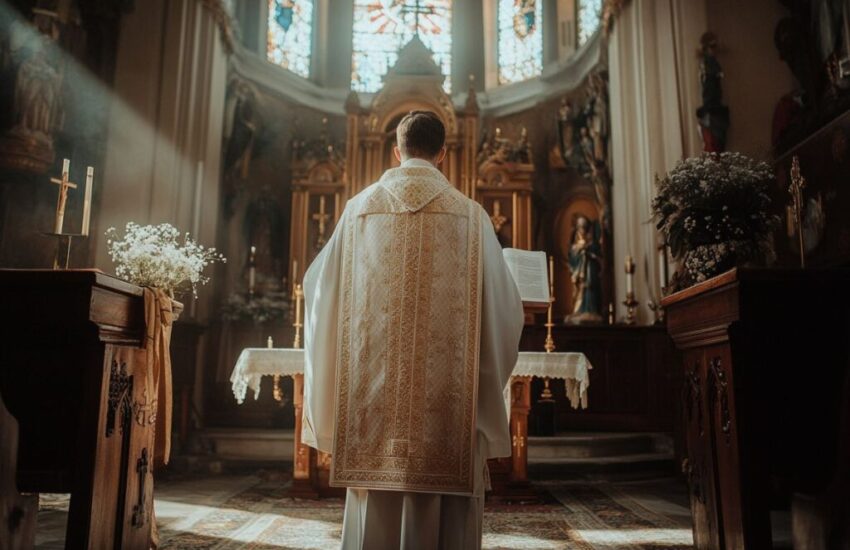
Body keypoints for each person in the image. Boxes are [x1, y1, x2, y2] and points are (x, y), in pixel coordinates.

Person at [302, 110, 524, 549]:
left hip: (371, 409)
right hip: (448, 411)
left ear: (395, 149)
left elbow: (320, 295)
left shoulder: (358, 211)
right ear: (444, 153)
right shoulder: (471, 216)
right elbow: (504, 312)